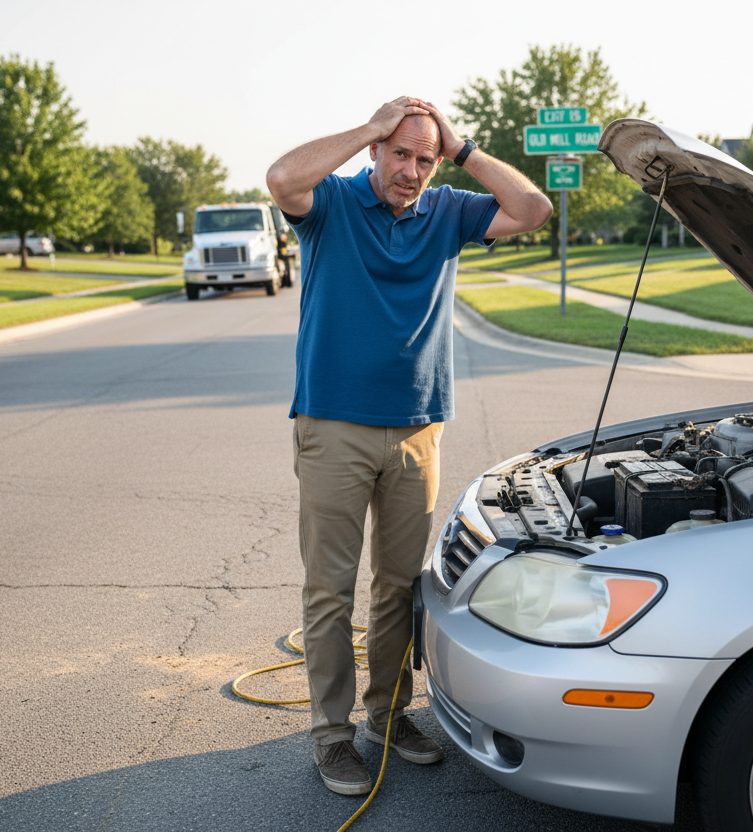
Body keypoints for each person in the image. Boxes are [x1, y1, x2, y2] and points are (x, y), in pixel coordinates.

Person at [265, 96, 552, 795]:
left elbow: (534, 210)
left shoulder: (449, 209)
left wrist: (464, 150)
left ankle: (387, 717)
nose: (412, 170)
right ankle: (331, 736)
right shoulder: (330, 204)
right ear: (376, 152)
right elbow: (280, 178)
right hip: (333, 425)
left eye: (425, 158)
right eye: (401, 153)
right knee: (329, 593)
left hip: (419, 427)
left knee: (398, 589)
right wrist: (370, 123)